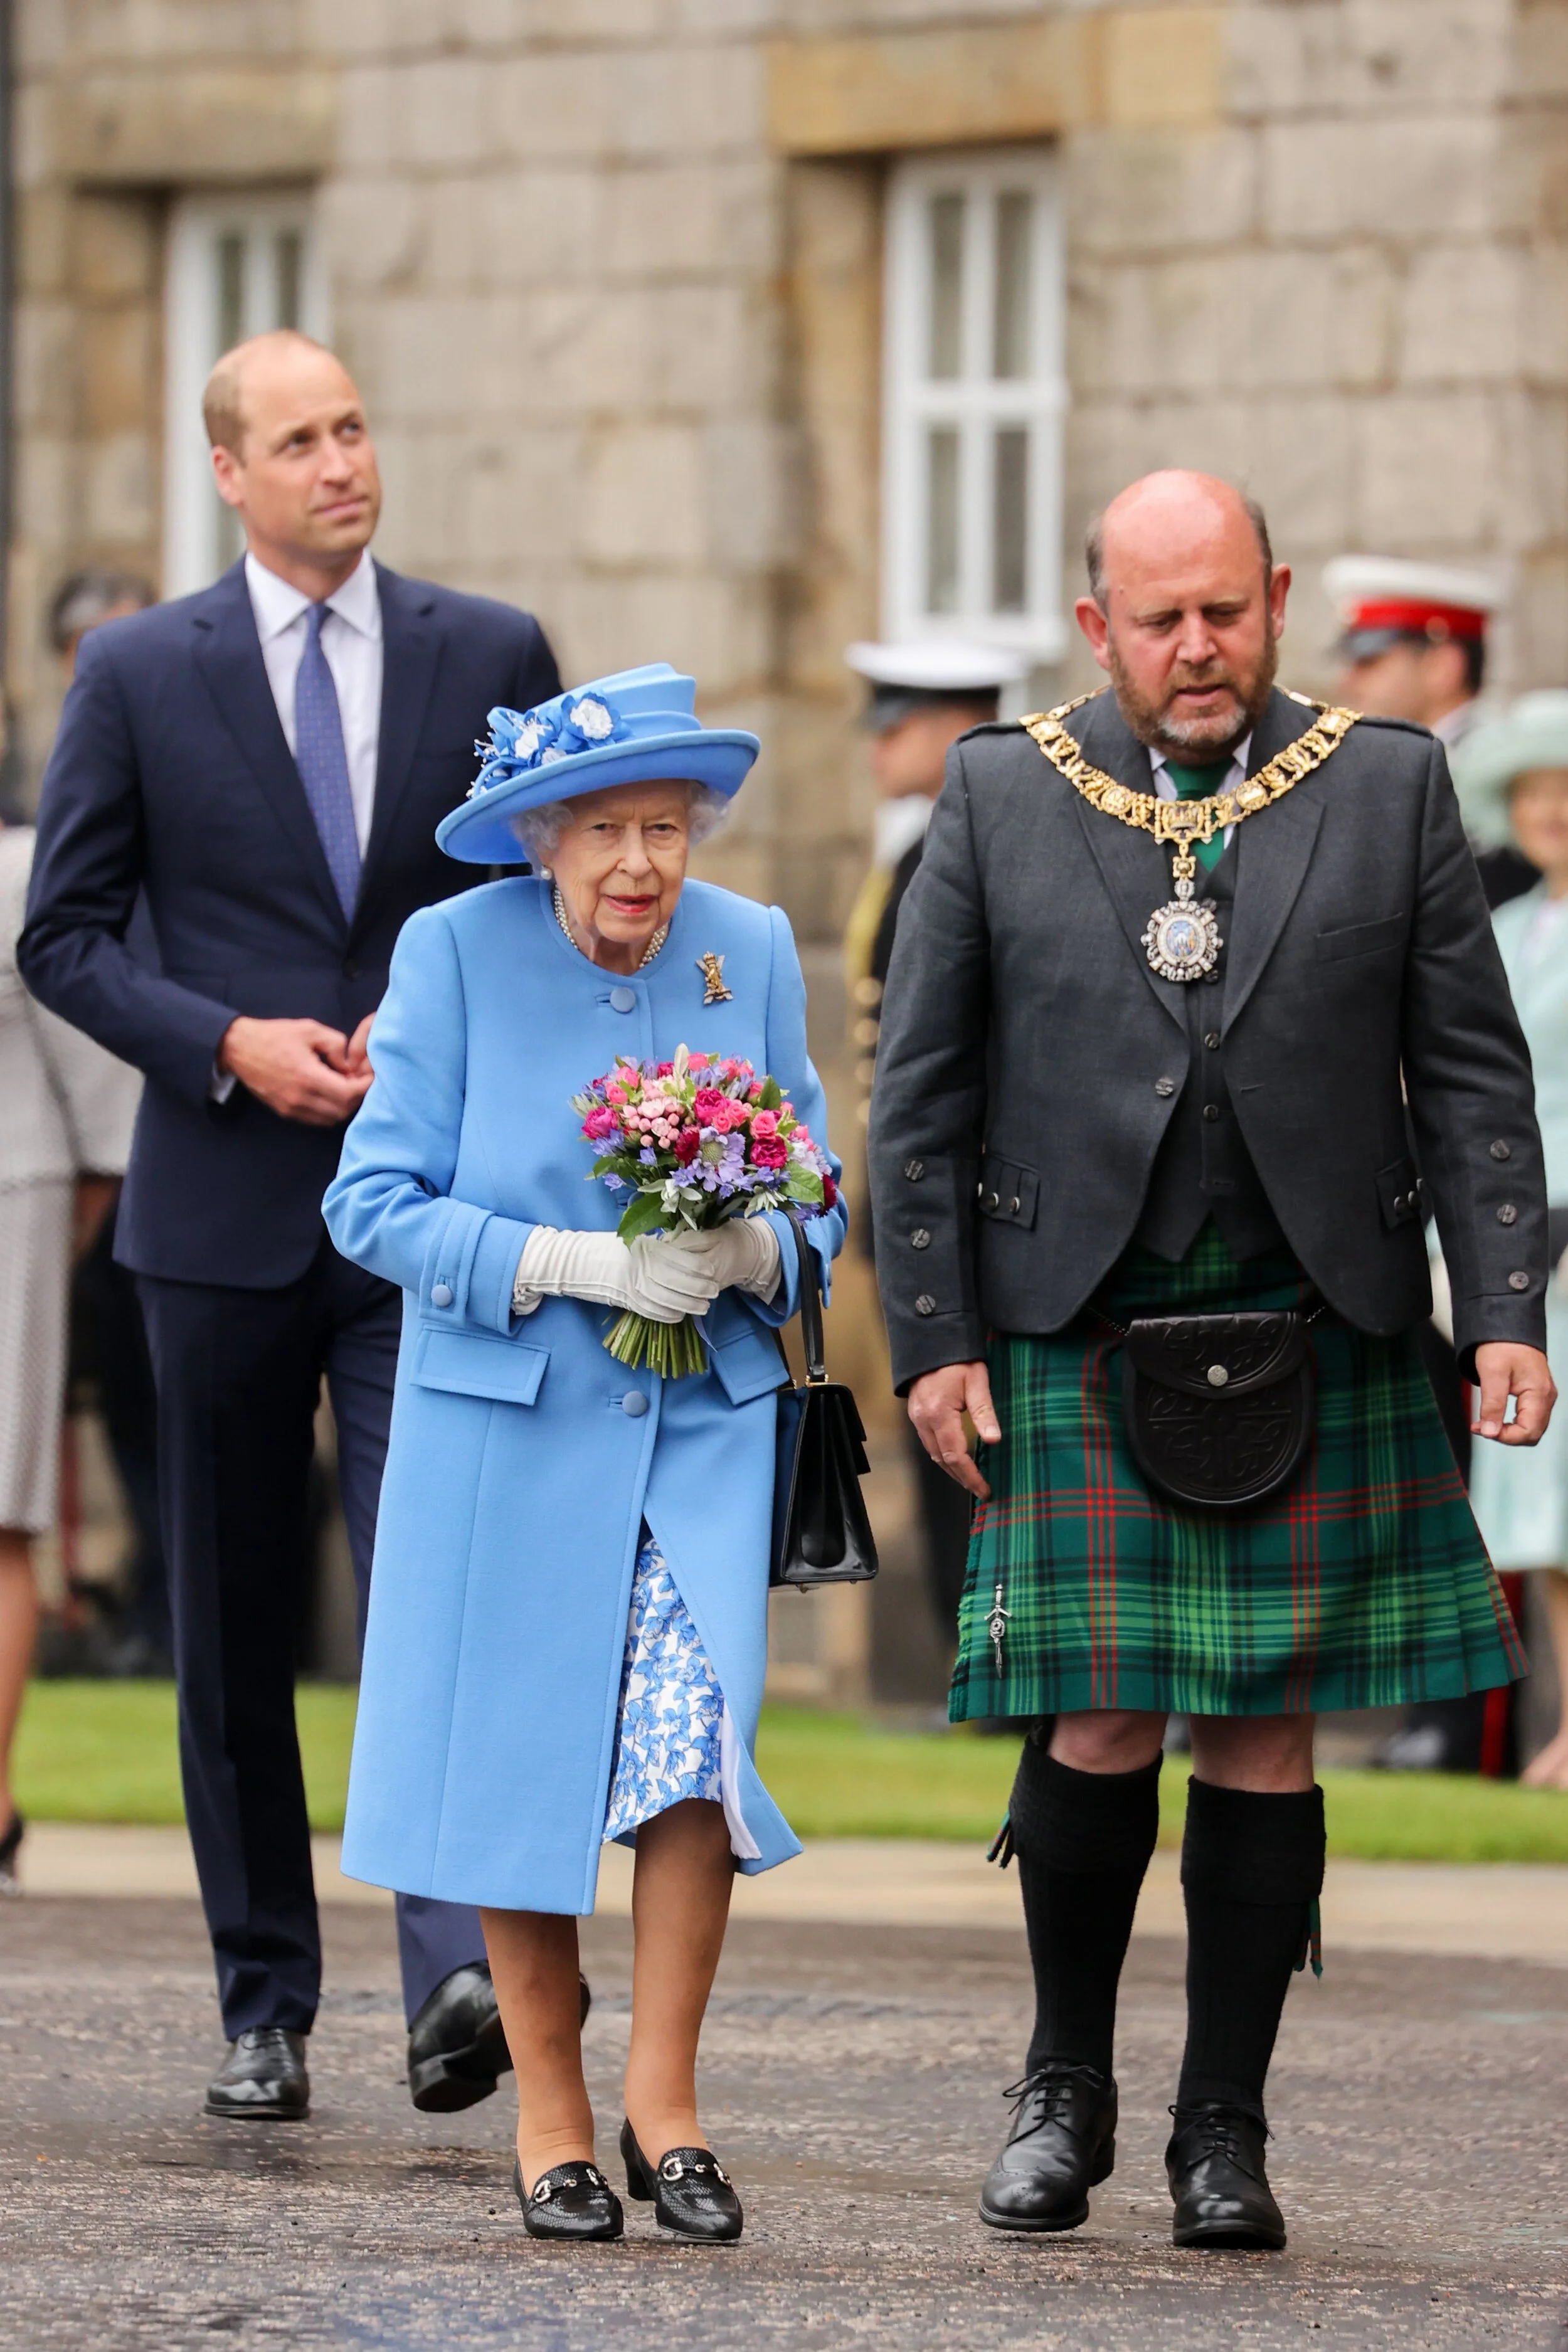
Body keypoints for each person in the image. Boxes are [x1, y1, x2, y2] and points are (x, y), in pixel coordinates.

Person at [869, 470, 1553, 2253]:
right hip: (1076, 1324)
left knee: (1263, 1731)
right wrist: (932, 1338)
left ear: (1276, 598)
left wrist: (1500, 1304)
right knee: (1093, 1713)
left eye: (1226, 611)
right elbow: (919, 1095)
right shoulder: (1000, 788)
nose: (1196, 648)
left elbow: (1474, 1077)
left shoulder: (1386, 784)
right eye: (1158, 616)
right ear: (1096, 622)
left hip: (1317, 1317)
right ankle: (1062, 2083)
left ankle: (1221, 2130)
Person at [19, 329, 561, 2121]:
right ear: (232, 476)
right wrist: (226, 1042)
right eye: (300, 439)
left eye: (354, 424)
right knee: (236, 1616)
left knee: (436, 1590)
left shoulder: (488, 654)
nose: (342, 458)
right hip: (221, 1209)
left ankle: (449, 1971)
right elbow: (68, 935)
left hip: (434, 1218)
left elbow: (549, 908)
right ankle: (263, 1992)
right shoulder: (135, 670)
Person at [323, 662, 845, 2244]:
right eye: (609, 826)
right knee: (523, 1755)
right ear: (542, 833)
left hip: (698, 1432)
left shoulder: (744, 948)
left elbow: (816, 1177)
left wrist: (765, 1252)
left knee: (693, 1763)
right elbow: (373, 1202)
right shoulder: (453, 951)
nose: (642, 862)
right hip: (512, 1433)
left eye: (668, 825)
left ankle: (666, 2106)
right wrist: (575, 1260)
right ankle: (550, 2116)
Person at [842, 640, 1025, 1641]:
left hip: (968, 1194)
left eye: (897, 724)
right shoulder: (914, 850)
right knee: (933, 1419)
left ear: (957, 727)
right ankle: (973, 1648)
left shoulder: (969, 850)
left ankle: (997, 1651)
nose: (879, 747)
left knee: (972, 1426)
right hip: (910, 1185)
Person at [0, 807, 140, 1889]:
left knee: (3, 1513)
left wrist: (66, 1227)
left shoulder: (20, 869)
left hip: (12, 1198)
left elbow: (97, 1094)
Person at [46, 571, 169, 1675]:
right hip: (99, 1155)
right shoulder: (78, 791)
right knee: (132, 1398)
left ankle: (177, 1613)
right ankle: (158, 1613)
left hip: (190, 1132)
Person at [1451, 691, 1568, 1787]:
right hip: (1524, 1240)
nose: (1554, 812)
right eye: (1537, 794)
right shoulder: (1511, 926)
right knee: (1542, 1497)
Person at [1325, 554, 1532, 911]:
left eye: (1370, 661)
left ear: (1442, 666)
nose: (1348, 682)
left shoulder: (1501, 769)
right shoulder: (1407, 765)